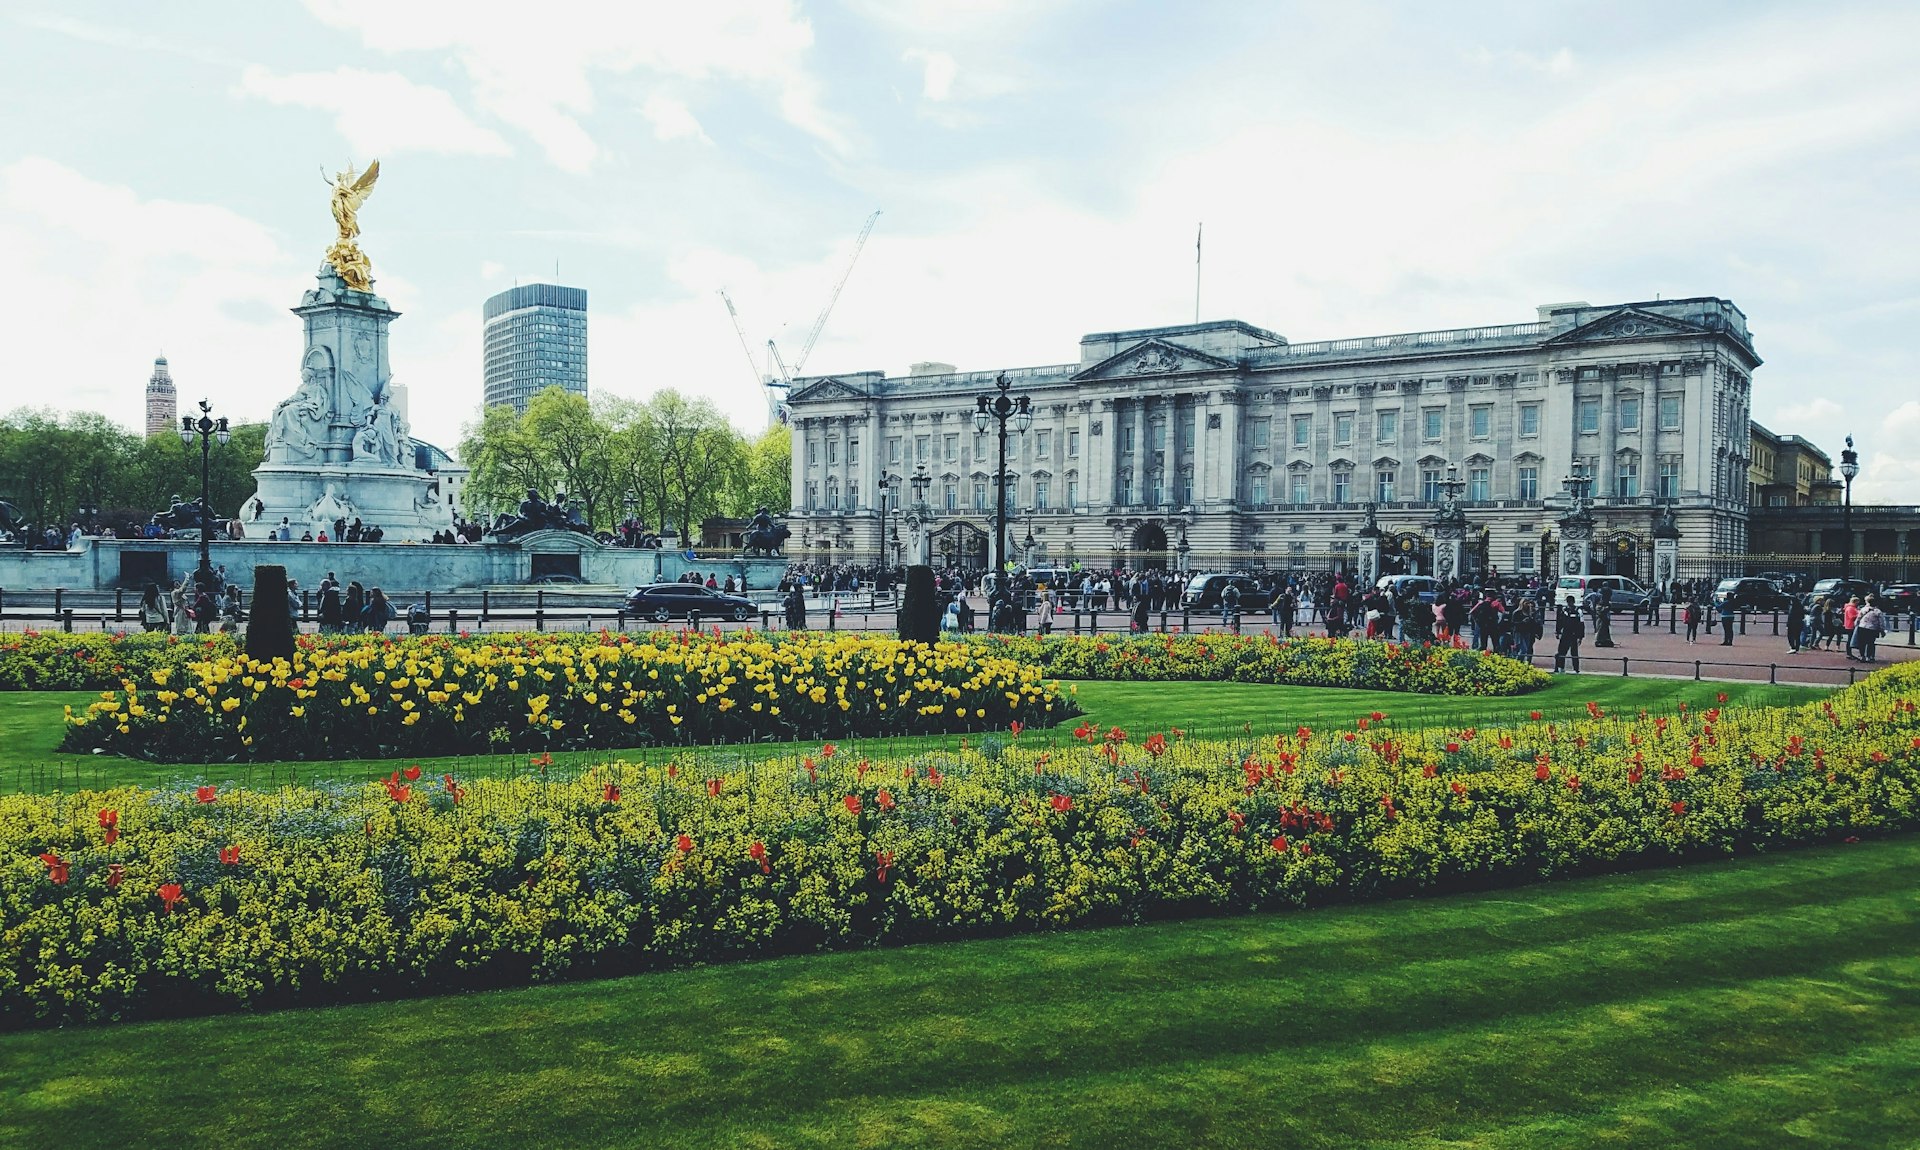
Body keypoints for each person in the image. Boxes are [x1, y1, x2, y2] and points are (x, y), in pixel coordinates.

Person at [1553, 595, 1585, 673]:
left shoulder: (1578, 611)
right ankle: (1560, 667)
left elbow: (1581, 624)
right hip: (1567, 633)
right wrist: (1558, 631)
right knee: (1562, 651)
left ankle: (1575, 669)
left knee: (1573, 652)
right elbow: (1560, 622)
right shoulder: (1564, 611)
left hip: (1572, 634)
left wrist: (1580, 636)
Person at [1856, 598, 1887, 662]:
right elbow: (1881, 622)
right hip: (1872, 629)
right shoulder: (1878, 611)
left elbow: (1858, 618)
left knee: (1862, 643)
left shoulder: (1863, 609)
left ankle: (1862, 656)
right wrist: (1882, 630)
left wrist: (1856, 625)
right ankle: (1869, 656)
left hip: (1862, 627)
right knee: (1871, 643)